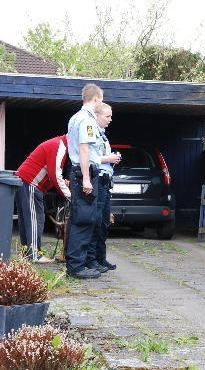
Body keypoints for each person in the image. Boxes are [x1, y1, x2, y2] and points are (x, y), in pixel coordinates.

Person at [65, 83, 105, 279]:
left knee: (79, 217)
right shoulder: (87, 120)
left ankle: (76, 263)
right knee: (84, 220)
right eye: (101, 99)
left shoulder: (75, 118)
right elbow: (84, 149)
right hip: (84, 173)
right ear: (96, 99)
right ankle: (77, 266)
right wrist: (87, 179)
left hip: (79, 172)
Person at [14, 135, 72, 263]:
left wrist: (63, 182)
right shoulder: (59, 146)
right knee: (35, 220)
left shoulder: (58, 144)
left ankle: (28, 254)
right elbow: (54, 174)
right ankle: (34, 255)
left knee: (27, 220)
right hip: (30, 183)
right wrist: (69, 195)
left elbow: (51, 172)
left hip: (25, 182)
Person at [85, 103, 120, 273]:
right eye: (107, 116)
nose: (110, 119)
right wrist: (110, 158)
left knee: (104, 222)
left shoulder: (103, 135)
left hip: (106, 182)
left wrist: (112, 158)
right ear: (97, 115)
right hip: (97, 180)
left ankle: (100, 257)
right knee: (96, 221)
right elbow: (92, 157)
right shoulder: (91, 132)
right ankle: (91, 260)